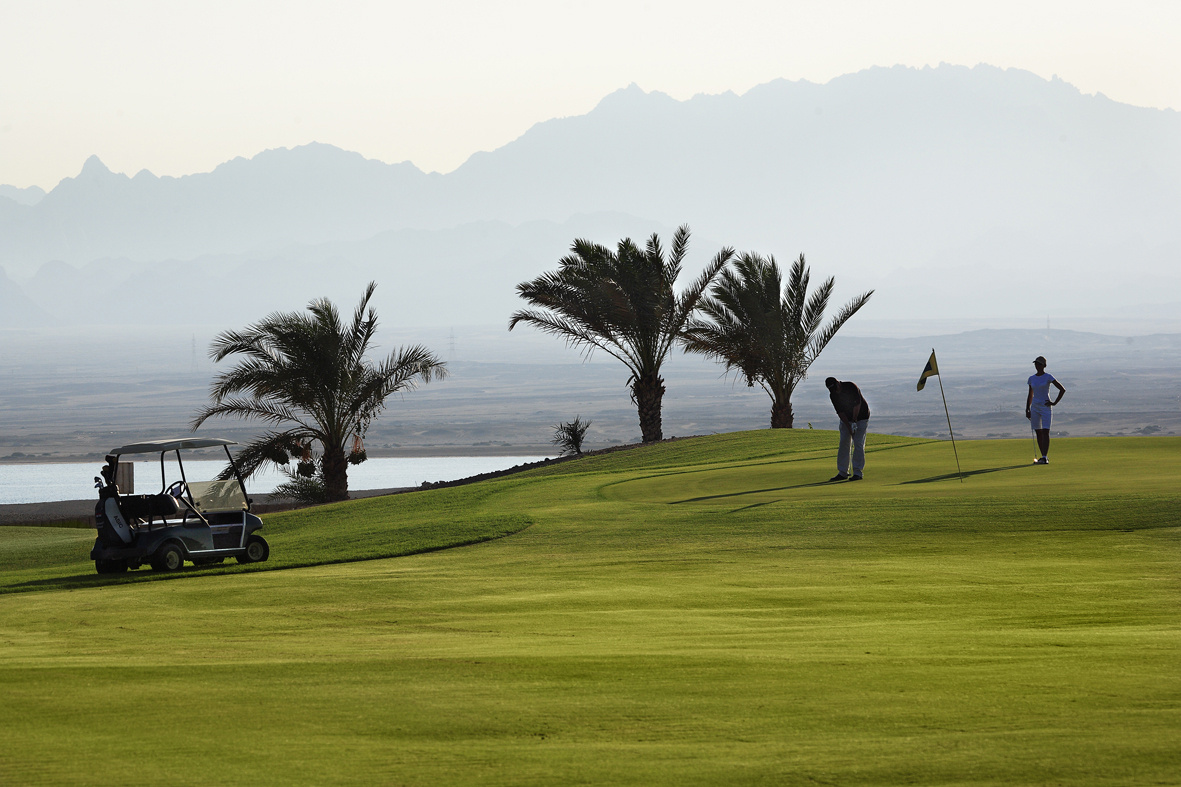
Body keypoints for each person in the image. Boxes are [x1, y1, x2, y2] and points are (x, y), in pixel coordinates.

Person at [825, 377, 870, 481]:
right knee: (844, 443)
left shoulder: (850, 386)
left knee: (858, 443)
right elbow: (840, 412)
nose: (834, 390)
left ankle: (858, 473)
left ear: (838, 383)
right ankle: (842, 472)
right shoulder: (833, 395)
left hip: (862, 417)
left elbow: (857, 405)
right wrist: (848, 425)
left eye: (834, 387)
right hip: (847, 420)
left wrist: (854, 421)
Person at [1026, 356, 1066, 464]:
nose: (1037, 366)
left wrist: (1054, 402)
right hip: (1035, 407)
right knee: (1038, 432)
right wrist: (1027, 409)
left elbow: (1062, 389)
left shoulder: (1048, 377)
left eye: (1039, 364)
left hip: (1045, 407)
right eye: (1036, 364)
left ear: (1044, 365)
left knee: (1045, 431)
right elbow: (1030, 394)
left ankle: (1044, 456)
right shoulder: (1031, 378)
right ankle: (1042, 456)